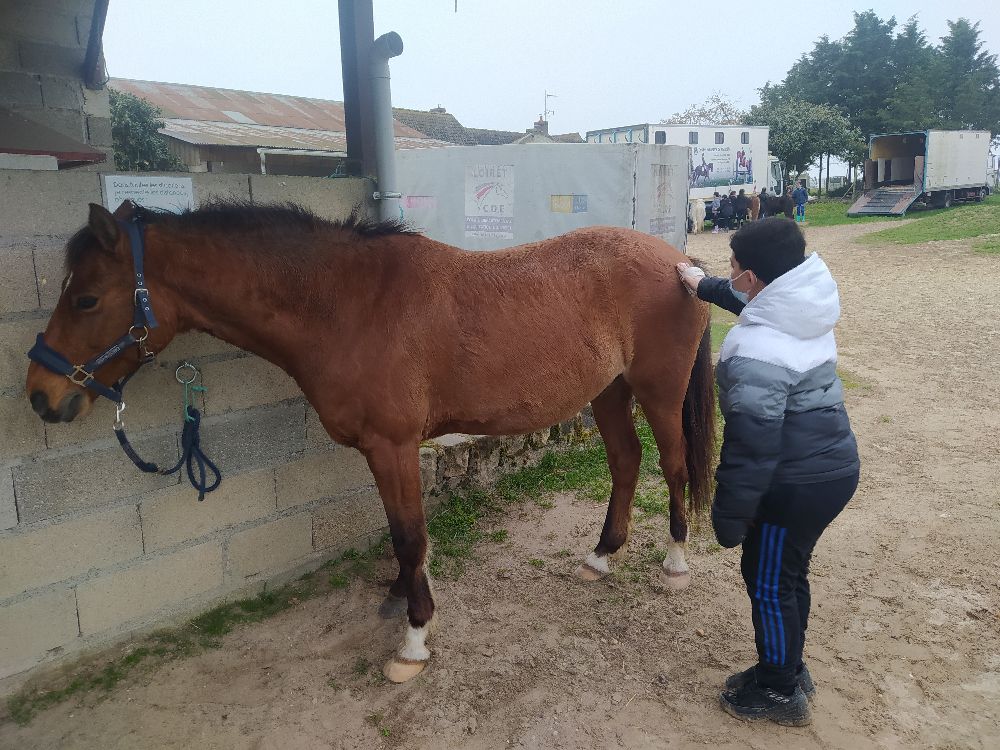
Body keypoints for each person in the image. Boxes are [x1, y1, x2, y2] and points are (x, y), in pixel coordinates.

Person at [675, 218, 860, 727]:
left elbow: (751, 451)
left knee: (769, 582)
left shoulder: (760, 355)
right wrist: (703, 285)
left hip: (792, 486)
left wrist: (729, 519)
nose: (730, 274)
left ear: (753, 276)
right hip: (829, 467)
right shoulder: (803, 302)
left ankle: (780, 690)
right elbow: (753, 303)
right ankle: (788, 668)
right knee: (787, 574)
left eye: (732, 268)